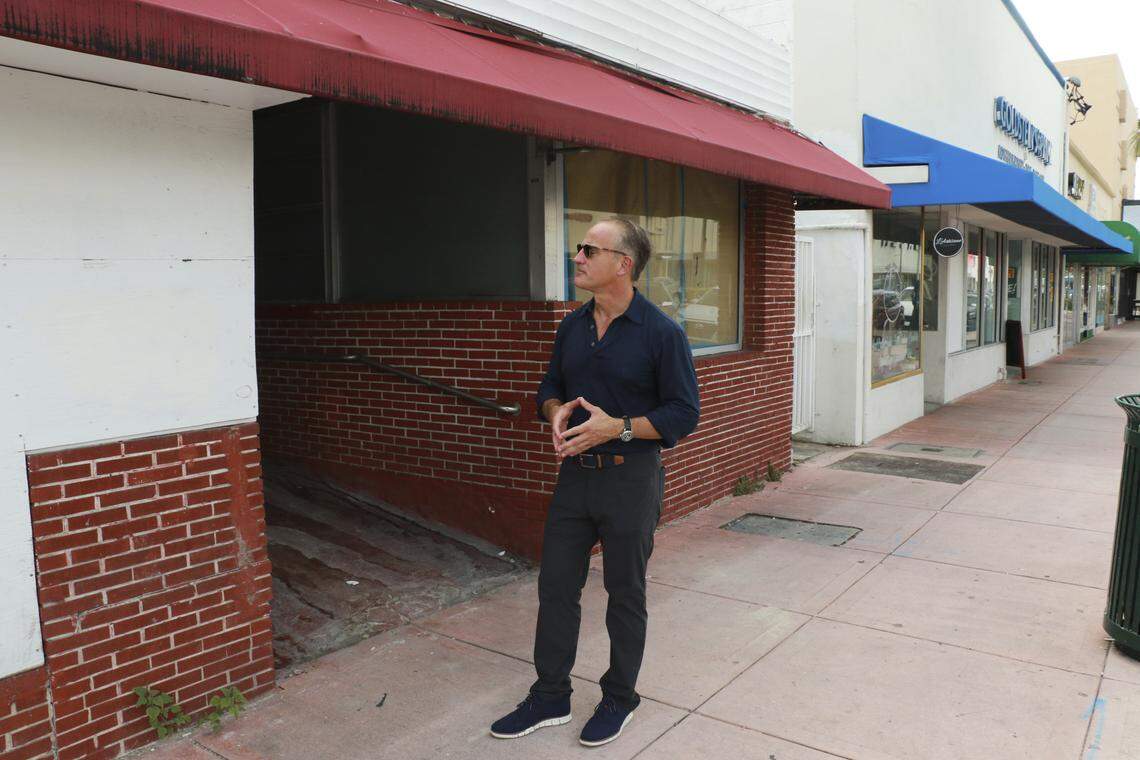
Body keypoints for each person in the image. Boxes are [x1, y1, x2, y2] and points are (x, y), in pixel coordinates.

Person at [490, 217, 700, 747]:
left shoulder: (662, 333)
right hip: (575, 478)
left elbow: (683, 414)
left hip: (632, 479)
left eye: (588, 249)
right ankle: (551, 695)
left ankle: (619, 697)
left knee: (624, 592)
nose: (576, 257)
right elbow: (551, 385)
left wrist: (621, 427)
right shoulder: (572, 326)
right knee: (556, 586)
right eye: (578, 249)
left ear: (623, 264)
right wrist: (555, 411)